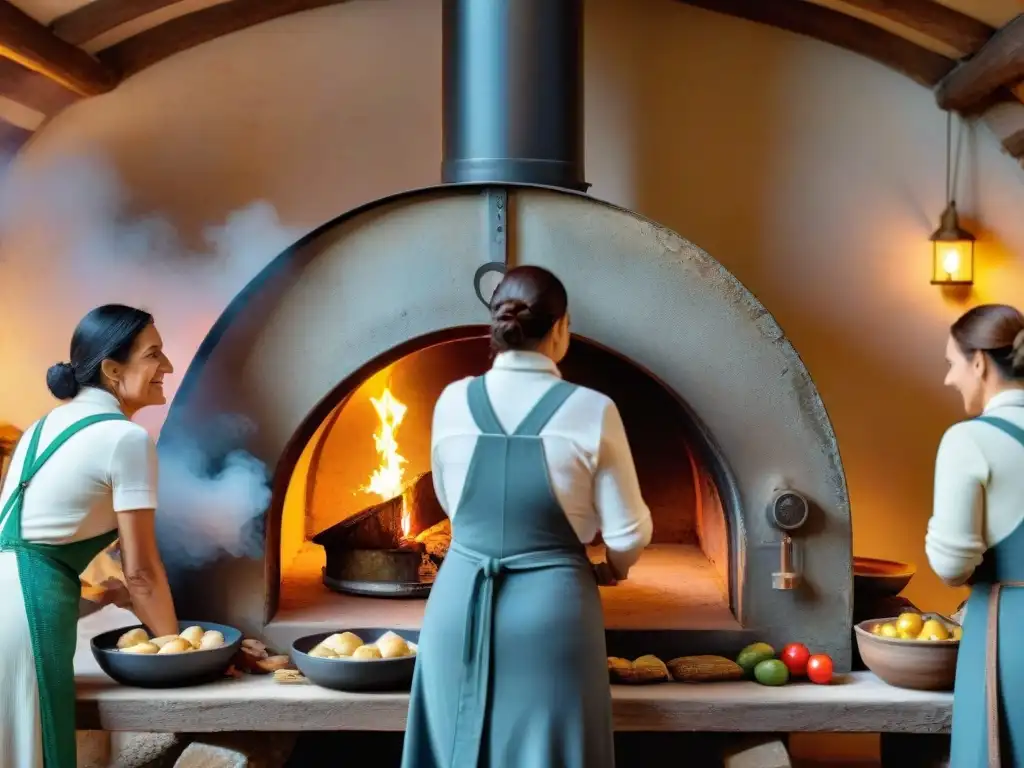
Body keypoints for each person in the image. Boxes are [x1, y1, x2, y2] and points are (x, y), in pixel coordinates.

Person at [402, 266, 653, 767]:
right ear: (561, 328)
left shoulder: (451, 401)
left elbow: (452, 504)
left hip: (456, 604)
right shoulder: (592, 409)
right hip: (552, 617)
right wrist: (614, 569)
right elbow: (629, 532)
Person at [0, 304, 179, 768]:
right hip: (27, 625)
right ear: (112, 369)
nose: (168, 367)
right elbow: (142, 572)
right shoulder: (125, 439)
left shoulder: (40, 428)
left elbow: (30, 546)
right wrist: (179, 650)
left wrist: (98, 597)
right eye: (154, 355)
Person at [925, 303, 1024, 767]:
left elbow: (951, 566)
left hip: (1008, 633)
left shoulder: (969, 441)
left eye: (952, 363)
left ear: (979, 362)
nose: (950, 378)